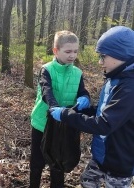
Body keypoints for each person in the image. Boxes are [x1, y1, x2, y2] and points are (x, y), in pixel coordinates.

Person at [50, 26, 134, 187]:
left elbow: (104, 124)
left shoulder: (129, 88)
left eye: (103, 56)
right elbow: (106, 112)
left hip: (120, 161)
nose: (99, 62)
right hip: (102, 154)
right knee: (87, 182)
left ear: (121, 55)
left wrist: (66, 115)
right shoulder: (115, 78)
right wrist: (82, 108)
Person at [30, 30, 90, 188]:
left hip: (64, 125)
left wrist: (85, 98)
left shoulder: (77, 73)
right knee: (37, 162)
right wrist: (54, 107)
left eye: (75, 51)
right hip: (41, 123)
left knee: (58, 163)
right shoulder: (46, 70)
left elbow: (82, 91)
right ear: (56, 50)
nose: (72, 55)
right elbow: (46, 91)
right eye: (68, 51)